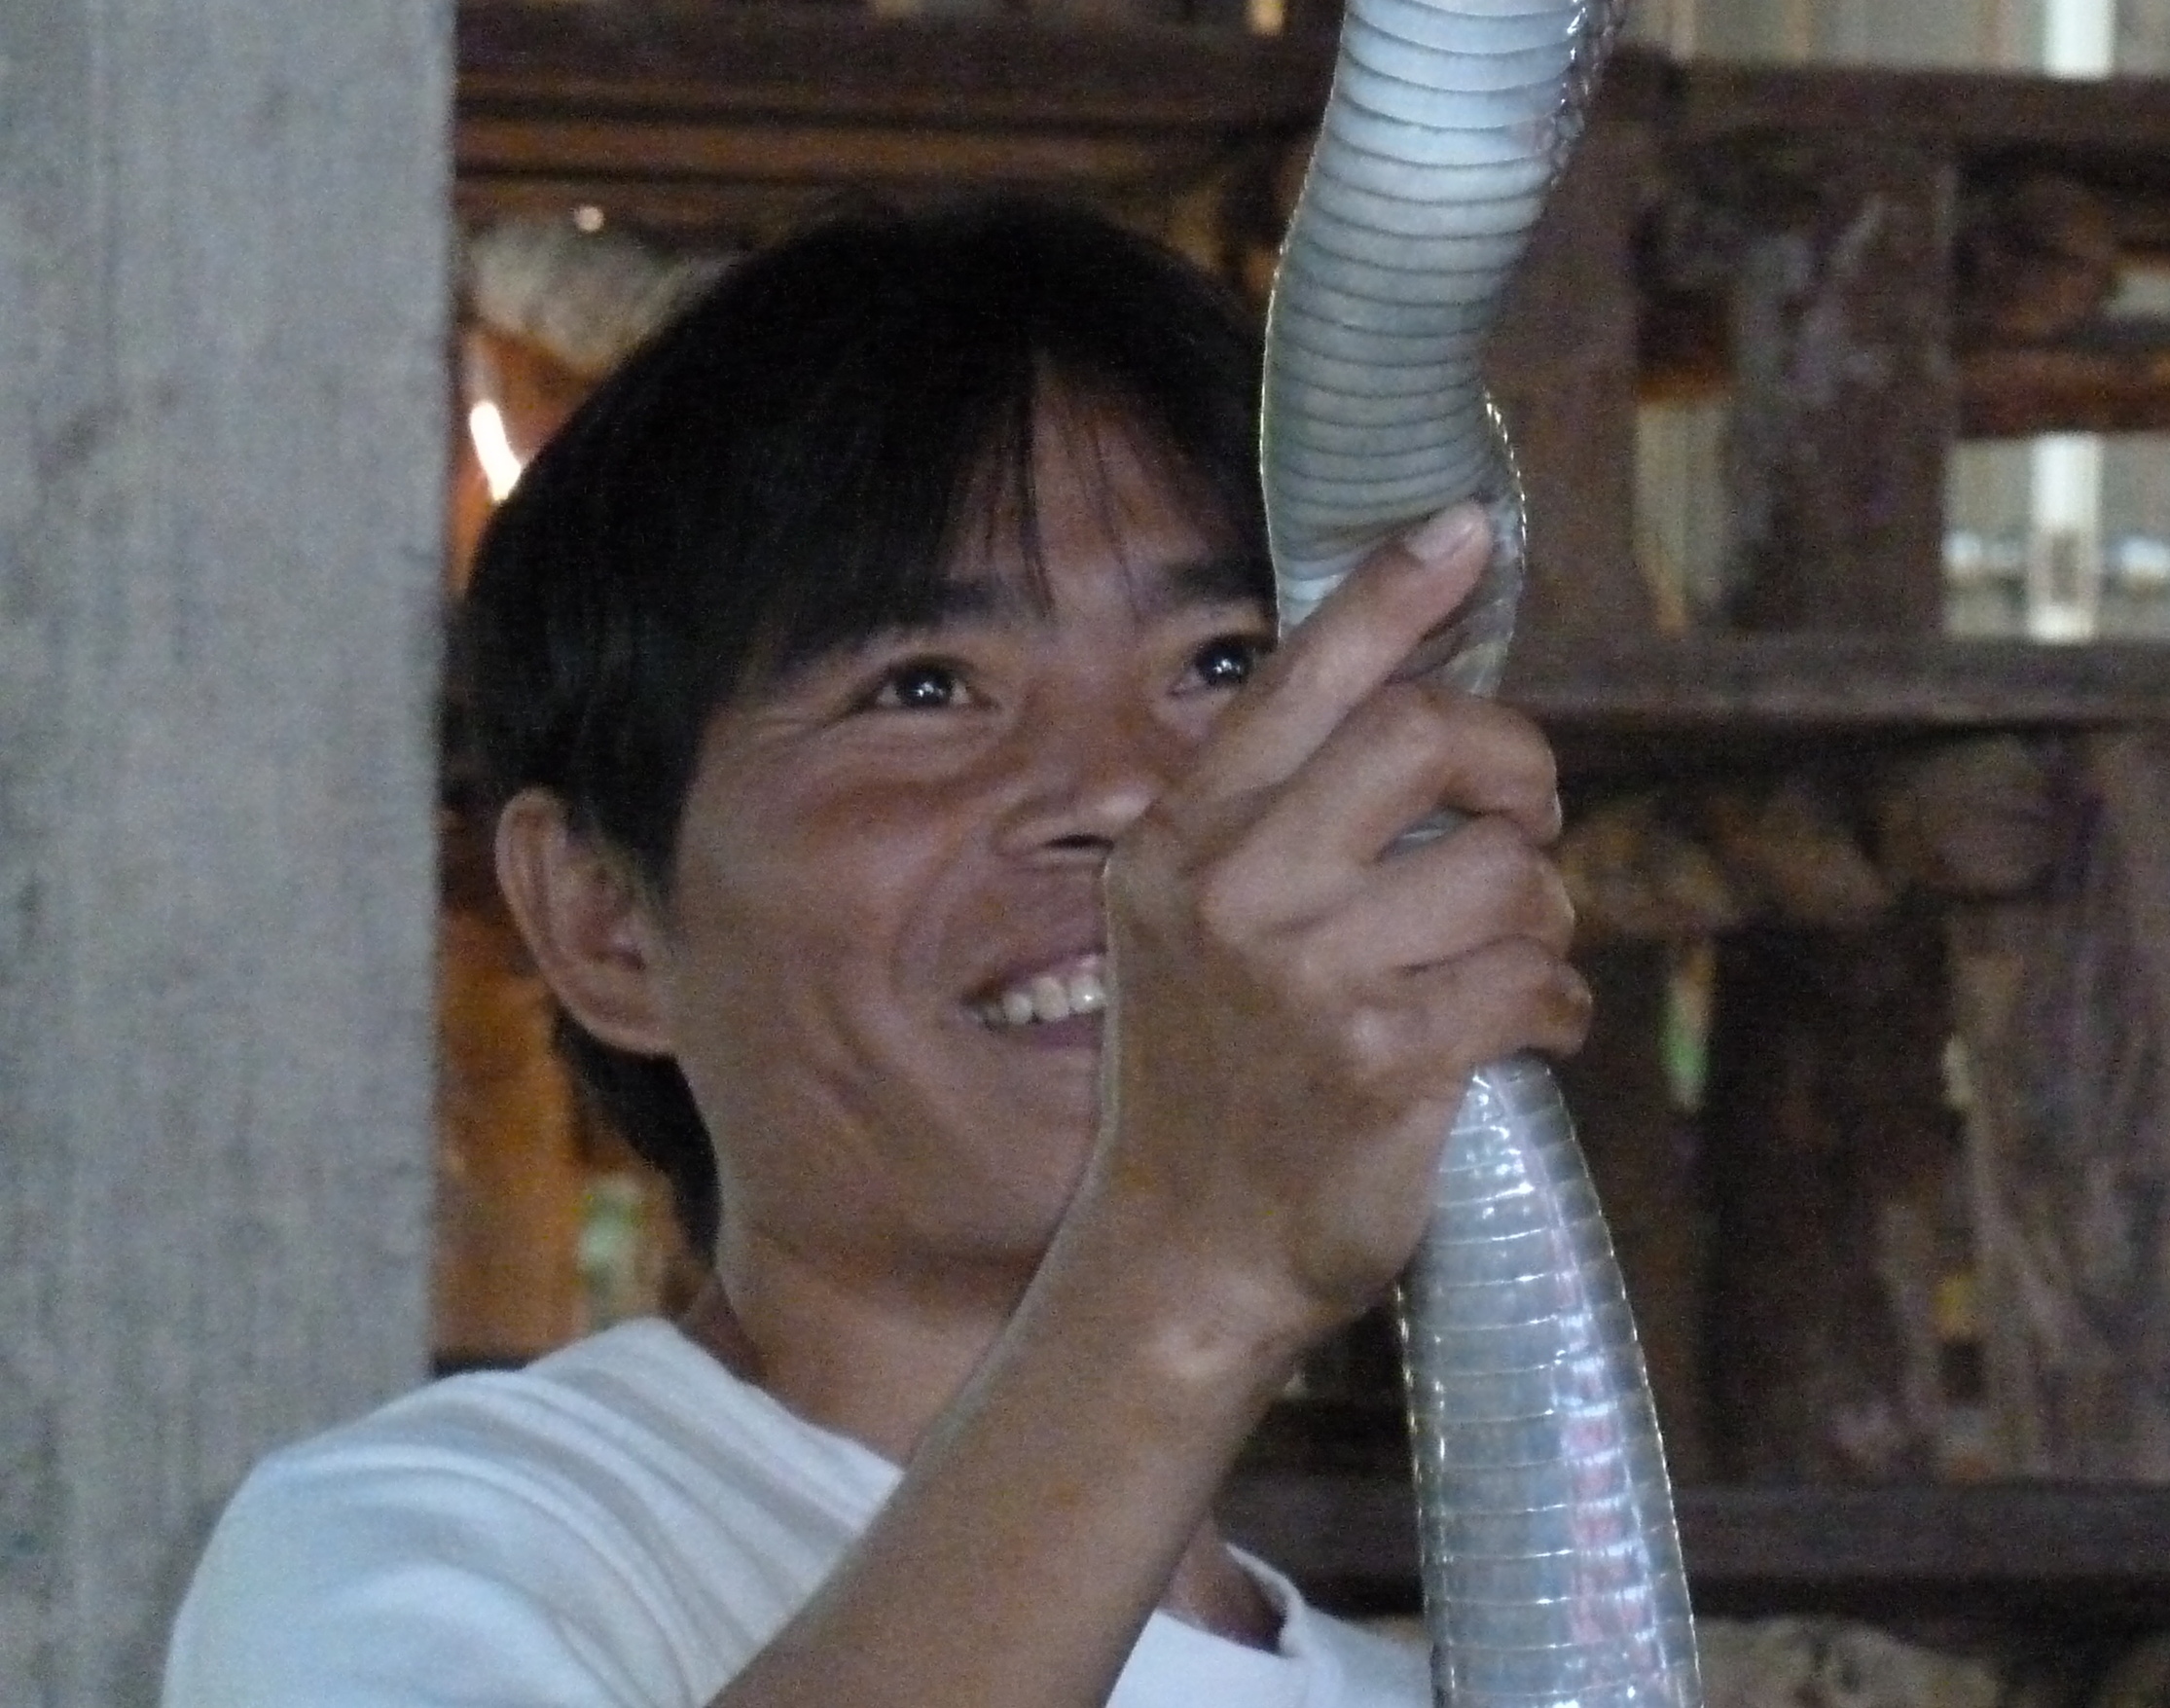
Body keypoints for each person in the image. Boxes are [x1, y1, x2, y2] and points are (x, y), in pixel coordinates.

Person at [164, 199, 1587, 1708]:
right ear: (603, 916)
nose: (1121, 791)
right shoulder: (440, 1558)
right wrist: (1191, 1269)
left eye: (1224, 667)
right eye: (925, 688)